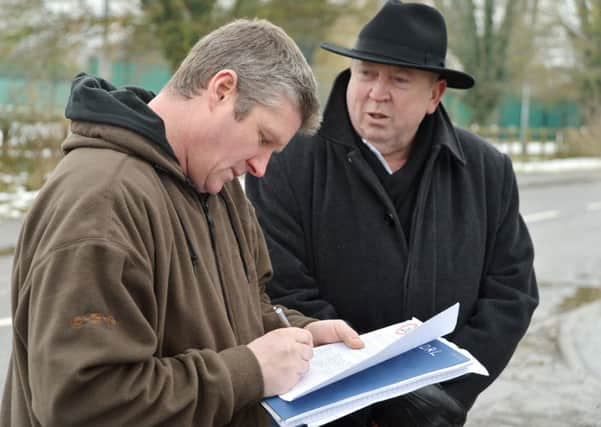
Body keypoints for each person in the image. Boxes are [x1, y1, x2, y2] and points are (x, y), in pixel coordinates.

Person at [0, 19, 365, 427]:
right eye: (262, 138)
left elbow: (244, 309)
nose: (261, 168)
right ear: (222, 89)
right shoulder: (102, 200)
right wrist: (249, 372)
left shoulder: (216, 185)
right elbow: (85, 402)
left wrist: (300, 336)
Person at [246, 2, 539, 426]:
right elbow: (280, 286)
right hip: (325, 409)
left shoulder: (486, 171)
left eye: (399, 80)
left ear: (434, 95)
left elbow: (511, 291)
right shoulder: (290, 160)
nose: (376, 93)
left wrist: (442, 394)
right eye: (367, 73)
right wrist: (370, 389)